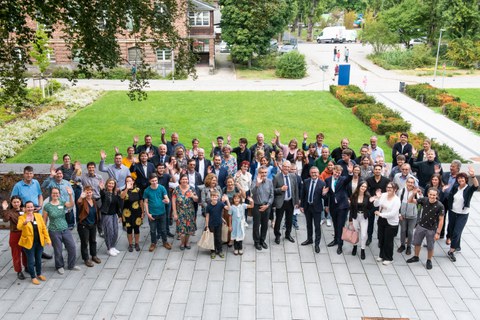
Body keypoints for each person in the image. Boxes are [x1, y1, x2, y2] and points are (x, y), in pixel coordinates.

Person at [11, 166, 51, 260]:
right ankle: (30, 253)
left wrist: (40, 205)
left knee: (39, 231)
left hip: (37, 211)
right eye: (27, 173)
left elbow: (40, 195)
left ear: (33, 174)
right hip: (26, 213)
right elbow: (13, 200)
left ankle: (40, 251)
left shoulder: (35, 182)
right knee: (29, 232)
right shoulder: (18, 186)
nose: (29, 175)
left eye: (30, 173)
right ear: (23, 174)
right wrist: (23, 209)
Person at [43, 187, 80, 274]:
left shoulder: (62, 202)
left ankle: (71, 265)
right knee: (58, 250)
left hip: (65, 229)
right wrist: (44, 232)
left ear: (59, 194)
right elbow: (44, 219)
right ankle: (59, 266)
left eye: (57, 193)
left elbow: (71, 204)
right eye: (53, 193)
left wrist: (70, 195)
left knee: (72, 247)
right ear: (51, 194)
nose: (55, 195)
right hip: (54, 231)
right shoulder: (47, 206)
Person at [407, 187, 445, 269]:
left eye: (434, 195)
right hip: (421, 226)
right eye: (430, 194)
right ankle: (416, 257)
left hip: (431, 229)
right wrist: (413, 193)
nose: (432, 196)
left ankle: (429, 260)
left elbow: (441, 220)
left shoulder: (440, 206)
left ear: (437, 195)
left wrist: (438, 233)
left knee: (430, 246)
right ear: (428, 194)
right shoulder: (424, 200)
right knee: (417, 243)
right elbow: (410, 201)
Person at [447, 168, 479, 262]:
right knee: (453, 231)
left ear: (466, 180)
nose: (460, 180)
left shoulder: (468, 189)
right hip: (453, 211)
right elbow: (450, 196)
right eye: (459, 179)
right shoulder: (455, 186)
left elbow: (476, 186)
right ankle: (457, 246)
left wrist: (473, 176)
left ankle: (451, 251)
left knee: (457, 231)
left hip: (463, 213)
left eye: (462, 179)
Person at [17, 201, 51, 285]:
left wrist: (48, 240)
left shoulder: (38, 216)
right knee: (31, 261)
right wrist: (25, 222)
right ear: (24, 208)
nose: (30, 208)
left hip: (39, 242)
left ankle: (39, 274)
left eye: (31, 207)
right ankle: (33, 277)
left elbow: (43, 228)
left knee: (38, 259)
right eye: (28, 207)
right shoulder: (22, 217)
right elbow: (19, 227)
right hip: (28, 243)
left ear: (33, 208)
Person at [324, 164, 353, 255]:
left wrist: (350, 172)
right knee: (335, 224)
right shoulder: (328, 180)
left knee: (340, 225)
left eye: (339, 173)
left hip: (342, 206)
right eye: (336, 172)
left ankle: (340, 245)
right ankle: (336, 240)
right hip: (333, 206)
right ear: (333, 171)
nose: (337, 174)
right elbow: (328, 194)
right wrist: (326, 205)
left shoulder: (343, 179)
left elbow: (349, 178)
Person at [373, 182, 401, 265]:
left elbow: (392, 214)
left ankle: (389, 257)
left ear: (395, 189)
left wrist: (380, 214)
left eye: (391, 188)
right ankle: (381, 255)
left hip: (391, 222)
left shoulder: (396, 200)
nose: (389, 189)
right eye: (388, 187)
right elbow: (375, 204)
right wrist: (377, 198)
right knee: (381, 238)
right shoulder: (383, 195)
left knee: (388, 241)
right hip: (382, 220)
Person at [301, 166, 326, 253]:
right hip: (308, 207)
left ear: (318, 173)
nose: (314, 174)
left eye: (315, 172)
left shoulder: (322, 183)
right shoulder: (306, 181)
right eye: (312, 172)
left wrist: (324, 194)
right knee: (308, 224)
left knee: (317, 226)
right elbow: (303, 194)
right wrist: (301, 206)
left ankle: (317, 244)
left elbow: (325, 197)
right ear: (310, 173)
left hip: (317, 208)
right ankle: (309, 239)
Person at [143, 173, 172, 252]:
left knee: (163, 229)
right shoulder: (147, 190)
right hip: (152, 214)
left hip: (162, 212)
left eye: (156, 180)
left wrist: (167, 200)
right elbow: (145, 202)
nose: (155, 182)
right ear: (150, 181)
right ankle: (153, 243)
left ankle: (165, 242)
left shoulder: (162, 188)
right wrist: (147, 213)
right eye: (153, 181)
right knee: (152, 230)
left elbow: (166, 198)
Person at [1, 196, 28, 280]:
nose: (16, 204)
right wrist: (4, 209)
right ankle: (19, 270)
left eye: (18, 202)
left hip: (25, 233)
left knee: (26, 252)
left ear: (20, 202)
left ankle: (27, 267)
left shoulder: (24, 210)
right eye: (14, 202)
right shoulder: (9, 212)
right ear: (11, 203)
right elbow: (5, 220)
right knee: (16, 253)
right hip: (15, 234)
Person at [273, 161, 299, 244]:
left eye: (288, 167)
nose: (287, 168)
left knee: (289, 220)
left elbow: (295, 189)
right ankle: (277, 235)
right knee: (278, 220)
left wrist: (296, 201)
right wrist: (281, 189)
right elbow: (272, 191)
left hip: (290, 202)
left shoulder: (293, 176)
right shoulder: (276, 177)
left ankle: (288, 234)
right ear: (282, 167)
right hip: (281, 202)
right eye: (285, 166)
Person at [77, 186, 101, 267]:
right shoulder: (83, 201)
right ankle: (86, 258)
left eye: (90, 192)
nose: (89, 194)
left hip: (93, 224)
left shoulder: (93, 201)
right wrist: (81, 197)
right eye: (87, 192)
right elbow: (79, 203)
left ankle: (94, 255)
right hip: (84, 225)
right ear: (84, 193)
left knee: (93, 241)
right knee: (85, 242)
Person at [366, 164, 390, 246]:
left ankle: (380, 239)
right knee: (370, 222)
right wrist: (371, 197)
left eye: (379, 169)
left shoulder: (386, 180)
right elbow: (366, 190)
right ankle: (369, 238)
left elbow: (388, 191)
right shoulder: (369, 180)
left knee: (381, 223)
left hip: (381, 204)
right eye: (376, 169)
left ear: (381, 170)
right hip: (371, 204)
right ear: (373, 170)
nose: (377, 171)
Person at [172, 174, 198, 250]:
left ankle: (187, 242)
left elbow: (196, 199)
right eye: (183, 179)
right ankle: (182, 243)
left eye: (186, 179)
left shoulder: (192, 189)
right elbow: (173, 202)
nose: (184, 181)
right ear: (180, 180)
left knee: (189, 230)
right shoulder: (176, 190)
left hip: (190, 212)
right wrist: (175, 213)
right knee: (182, 232)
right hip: (180, 213)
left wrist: (193, 196)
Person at [251, 166, 274, 251]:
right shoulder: (254, 181)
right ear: (258, 173)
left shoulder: (270, 182)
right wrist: (257, 184)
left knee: (265, 224)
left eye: (265, 172)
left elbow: (272, 195)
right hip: (257, 206)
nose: (264, 174)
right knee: (256, 225)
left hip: (266, 206)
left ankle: (262, 240)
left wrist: (267, 205)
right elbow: (252, 193)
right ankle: (256, 241)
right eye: (262, 172)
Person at [348, 181, 371, 259]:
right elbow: (351, 208)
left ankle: (362, 249)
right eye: (362, 186)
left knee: (364, 235)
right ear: (359, 187)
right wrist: (350, 219)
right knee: (355, 233)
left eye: (365, 187)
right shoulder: (354, 196)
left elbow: (370, 208)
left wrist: (372, 201)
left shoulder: (368, 196)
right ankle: (355, 247)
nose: (363, 188)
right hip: (355, 216)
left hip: (363, 217)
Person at [120, 176, 144, 252]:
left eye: (130, 181)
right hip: (127, 213)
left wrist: (143, 212)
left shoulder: (138, 190)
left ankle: (136, 243)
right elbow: (122, 197)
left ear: (133, 181)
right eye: (127, 181)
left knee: (137, 229)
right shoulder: (123, 191)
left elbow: (141, 202)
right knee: (129, 230)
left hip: (137, 212)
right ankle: (130, 244)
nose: (129, 182)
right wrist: (127, 188)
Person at [397, 177, 419, 256]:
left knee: (410, 232)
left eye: (412, 182)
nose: (410, 184)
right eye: (409, 182)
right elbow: (398, 203)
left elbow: (419, 204)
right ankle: (402, 245)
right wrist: (399, 214)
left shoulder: (416, 192)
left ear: (414, 183)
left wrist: (415, 193)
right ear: (406, 182)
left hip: (412, 216)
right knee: (403, 230)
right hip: (403, 215)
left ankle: (409, 246)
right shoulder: (402, 191)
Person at [99, 178, 122, 256]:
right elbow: (102, 196)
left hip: (113, 215)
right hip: (106, 215)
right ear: (107, 184)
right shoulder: (104, 192)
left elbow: (117, 205)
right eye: (109, 183)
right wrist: (101, 189)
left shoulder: (115, 193)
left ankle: (113, 246)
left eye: (112, 184)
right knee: (109, 232)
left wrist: (119, 215)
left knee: (115, 232)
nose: (111, 185)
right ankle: (109, 248)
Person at [205, 191, 230, 259]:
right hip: (211, 224)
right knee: (212, 238)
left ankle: (220, 250)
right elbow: (207, 216)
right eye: (213, 196)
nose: (214, 198)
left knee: (218, 238)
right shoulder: (208, 206)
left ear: (218, 197)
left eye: (215, 196)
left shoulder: (220, 204)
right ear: (210, 197)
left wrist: (227, 200)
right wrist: (206, 226)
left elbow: (228, 208)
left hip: (219, 224)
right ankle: (213, 251)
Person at [443, 160, 461, 243]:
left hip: (453, 202)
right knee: (441, 217)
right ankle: (440, 233)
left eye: (453, 167)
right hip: (443, 199)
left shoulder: (460, 178)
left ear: (458, 168)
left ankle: (449, 236)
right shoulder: (445, 174)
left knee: (451, 219)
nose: (451, 168)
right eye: (451, 166)